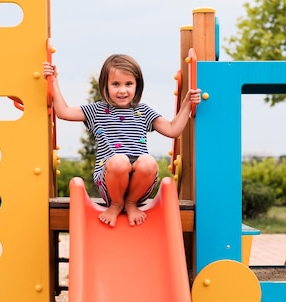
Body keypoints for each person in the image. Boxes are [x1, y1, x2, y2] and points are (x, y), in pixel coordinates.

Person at [43, 54, 200, 227]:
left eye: (128, 84)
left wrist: (187, 104)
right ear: (105, 85)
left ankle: (131, 203)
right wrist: (54, 81)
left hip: (140, 184)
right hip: (111, 180)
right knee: (119, 161)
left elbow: (172, 129)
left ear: (137, 85)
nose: (122, 90)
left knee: (148, 161)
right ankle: (117, 205)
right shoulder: (97, 111)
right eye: (116, 84)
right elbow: (64, 112)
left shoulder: (143, 111)